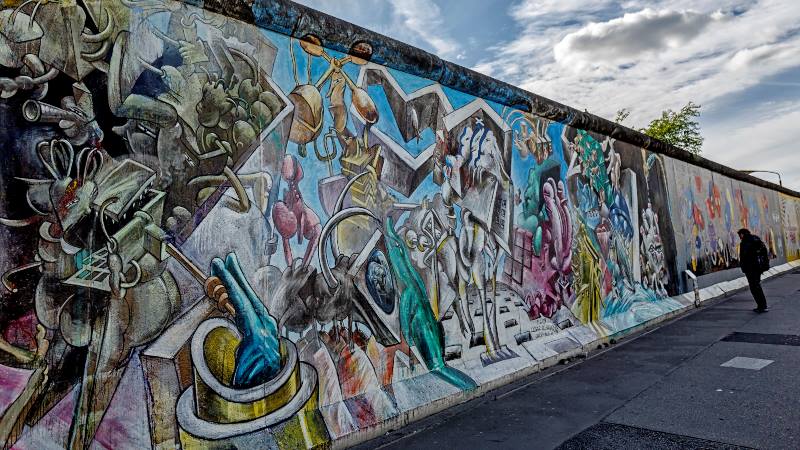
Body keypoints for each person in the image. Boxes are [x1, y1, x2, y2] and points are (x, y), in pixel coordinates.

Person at [738, 228, 769, 312]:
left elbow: (743, 257)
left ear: (742, 234)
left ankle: (762, 306)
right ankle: (762, 305)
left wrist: (743, 268)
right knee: (757, 285)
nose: (740, 237)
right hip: (758, 268)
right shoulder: (756, 239)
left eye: (740, 235)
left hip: (750, 268)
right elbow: (764, 252)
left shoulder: (744, 243)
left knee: (754, 287)